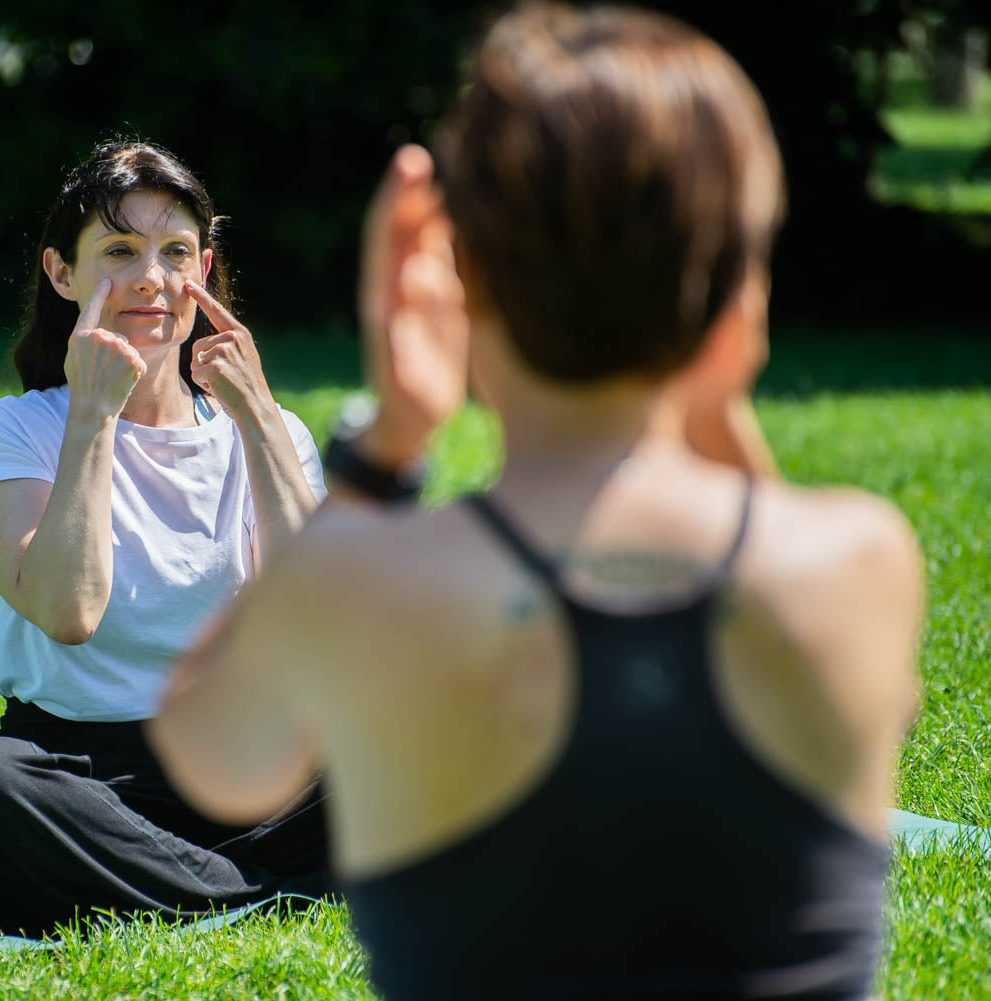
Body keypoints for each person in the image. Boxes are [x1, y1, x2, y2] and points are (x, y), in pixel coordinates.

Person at [149, 5, 923, 1000]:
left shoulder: (371, 587)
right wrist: (720, 384)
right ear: (741, 302)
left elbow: (211, 749)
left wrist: (388, 443)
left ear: (462, 289)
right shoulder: (857, 564)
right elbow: (875, 711)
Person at [0, 141, 333, 938]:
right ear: (61, 274)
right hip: (83, 777)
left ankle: (189, 890)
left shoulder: (273, 431)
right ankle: (265, 890)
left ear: (204, 272)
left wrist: (260, 422)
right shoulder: (12, 432)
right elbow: (68, 609)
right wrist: (92, 414)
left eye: (176, 252)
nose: (152, 277)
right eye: (120, 250)